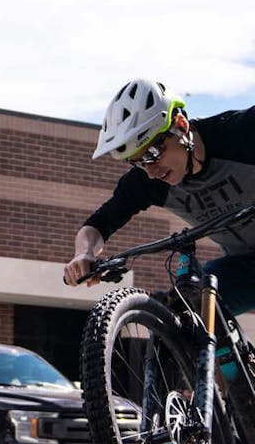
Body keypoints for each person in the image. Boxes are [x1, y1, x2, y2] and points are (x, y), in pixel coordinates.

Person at [64, 78, 255, 313]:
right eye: (137, 162)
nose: (151, 171)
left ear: (181, 126)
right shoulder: (147, 182)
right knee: (187, 305)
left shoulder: (241, 134)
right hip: (246, 268)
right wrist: (84, 253)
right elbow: (98, 225)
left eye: (153, 153)